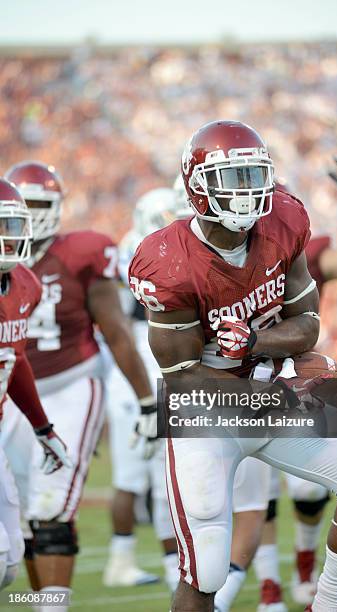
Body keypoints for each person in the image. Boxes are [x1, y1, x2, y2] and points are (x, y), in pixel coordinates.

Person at [129, 120, 337, 612]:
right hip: (207, 415)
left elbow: (307, 325)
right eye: (232, 178)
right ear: (197, 185)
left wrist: (257, 340)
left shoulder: (285, 222)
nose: (248, 191)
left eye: (255, 174)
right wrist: (271, 394)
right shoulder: (167, 260)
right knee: (206, 570)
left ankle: (329, 605)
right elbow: (184, 376)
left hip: (273, 390)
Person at [1, 161, 156, 610]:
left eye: (38, 206)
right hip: (13, 392)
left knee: (50, 508)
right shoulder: (13, 266)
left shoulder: (82, 252)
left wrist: (147, 400)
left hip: (72, 384)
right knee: (23, 520)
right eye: (20, 208)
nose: (28, 217)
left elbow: (116, 329)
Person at [254, 162, 337, 610]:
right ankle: (269, 586)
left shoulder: (302, 257)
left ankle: (307, 572)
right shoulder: (215, 261)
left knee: (312, 490)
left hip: (295, 373)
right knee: (257, 488)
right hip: (239, 383)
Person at [104, 188, 183, 590]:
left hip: (135, 371)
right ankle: (134, 562)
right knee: (149, 478)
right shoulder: (139, 251)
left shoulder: (126, 247)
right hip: (140, 371)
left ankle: (143, 563)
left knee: (146, 478)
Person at [0, 178, 70, 592]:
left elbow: (16, 359)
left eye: (13, 226)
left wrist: (43, 428)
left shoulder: (26, 284)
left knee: (8, 563)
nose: (10, 238)